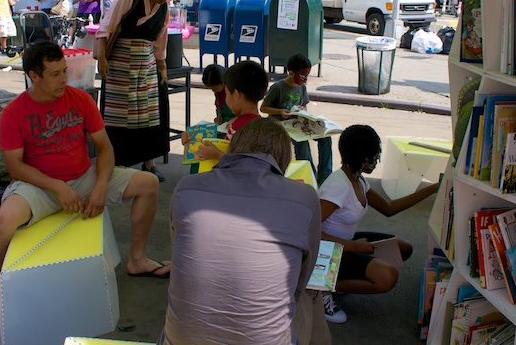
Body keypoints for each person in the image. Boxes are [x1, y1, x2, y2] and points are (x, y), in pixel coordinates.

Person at [0, 41, 169, 337]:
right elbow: (15, 167)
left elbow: (104, 147)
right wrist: (55, 187)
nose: (64, 79)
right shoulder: (15, 112)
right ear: (33, 76)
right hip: (37, 184)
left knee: (148, 183)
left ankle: (137, 259)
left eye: (64, 71)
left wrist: (101, 185)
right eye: (54, 74)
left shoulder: (79, 99)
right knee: (3, 223)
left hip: (83, 176)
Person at [158, 117, 322, 344]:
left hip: (179, 339)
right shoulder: (305, 197)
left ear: (233, 148)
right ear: (283, 160)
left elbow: (180, 250)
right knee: (312, 292)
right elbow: (300, 281)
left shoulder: (186, 186)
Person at [317, 125, 439, 323]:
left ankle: (336, 280)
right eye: (373, 156)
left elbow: (389, 208)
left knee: (402, 247)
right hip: (324, 253)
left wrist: (433, 189)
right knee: (387, 277)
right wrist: (355, 246)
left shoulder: (358, 180)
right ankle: (322, 287)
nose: (377, 161)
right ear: (359, 156)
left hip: (344, 245)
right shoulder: (338, 187)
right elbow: (308, 231)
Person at [95, 0, 179, 181]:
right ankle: (116, 163)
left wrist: (162, 67)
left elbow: (161, 39)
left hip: (147, 65)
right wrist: (102, 58)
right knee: (118, 117)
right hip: (120, 65)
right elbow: (107, 27)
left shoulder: (163, 6)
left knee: (150, 116)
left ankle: (149, 163)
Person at [261, 54, 333, 185]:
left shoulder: (302, 87)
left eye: (307, 76)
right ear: (291, 72)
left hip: (298, 122)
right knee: (302, 143)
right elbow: (263, 108)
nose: (305, 79)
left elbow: (304, 105)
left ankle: (325, 175)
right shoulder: (278, 87)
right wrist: (280, 112)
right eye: (302, 76)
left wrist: (302, 110)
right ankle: (310, 174)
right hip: (280, 125)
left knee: (326, 136)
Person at [193, 60, 268, 162]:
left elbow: (240, 163)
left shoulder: (237, 128)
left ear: (236, 94)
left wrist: (216, 154)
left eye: (227, 93)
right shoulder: (263, 127)